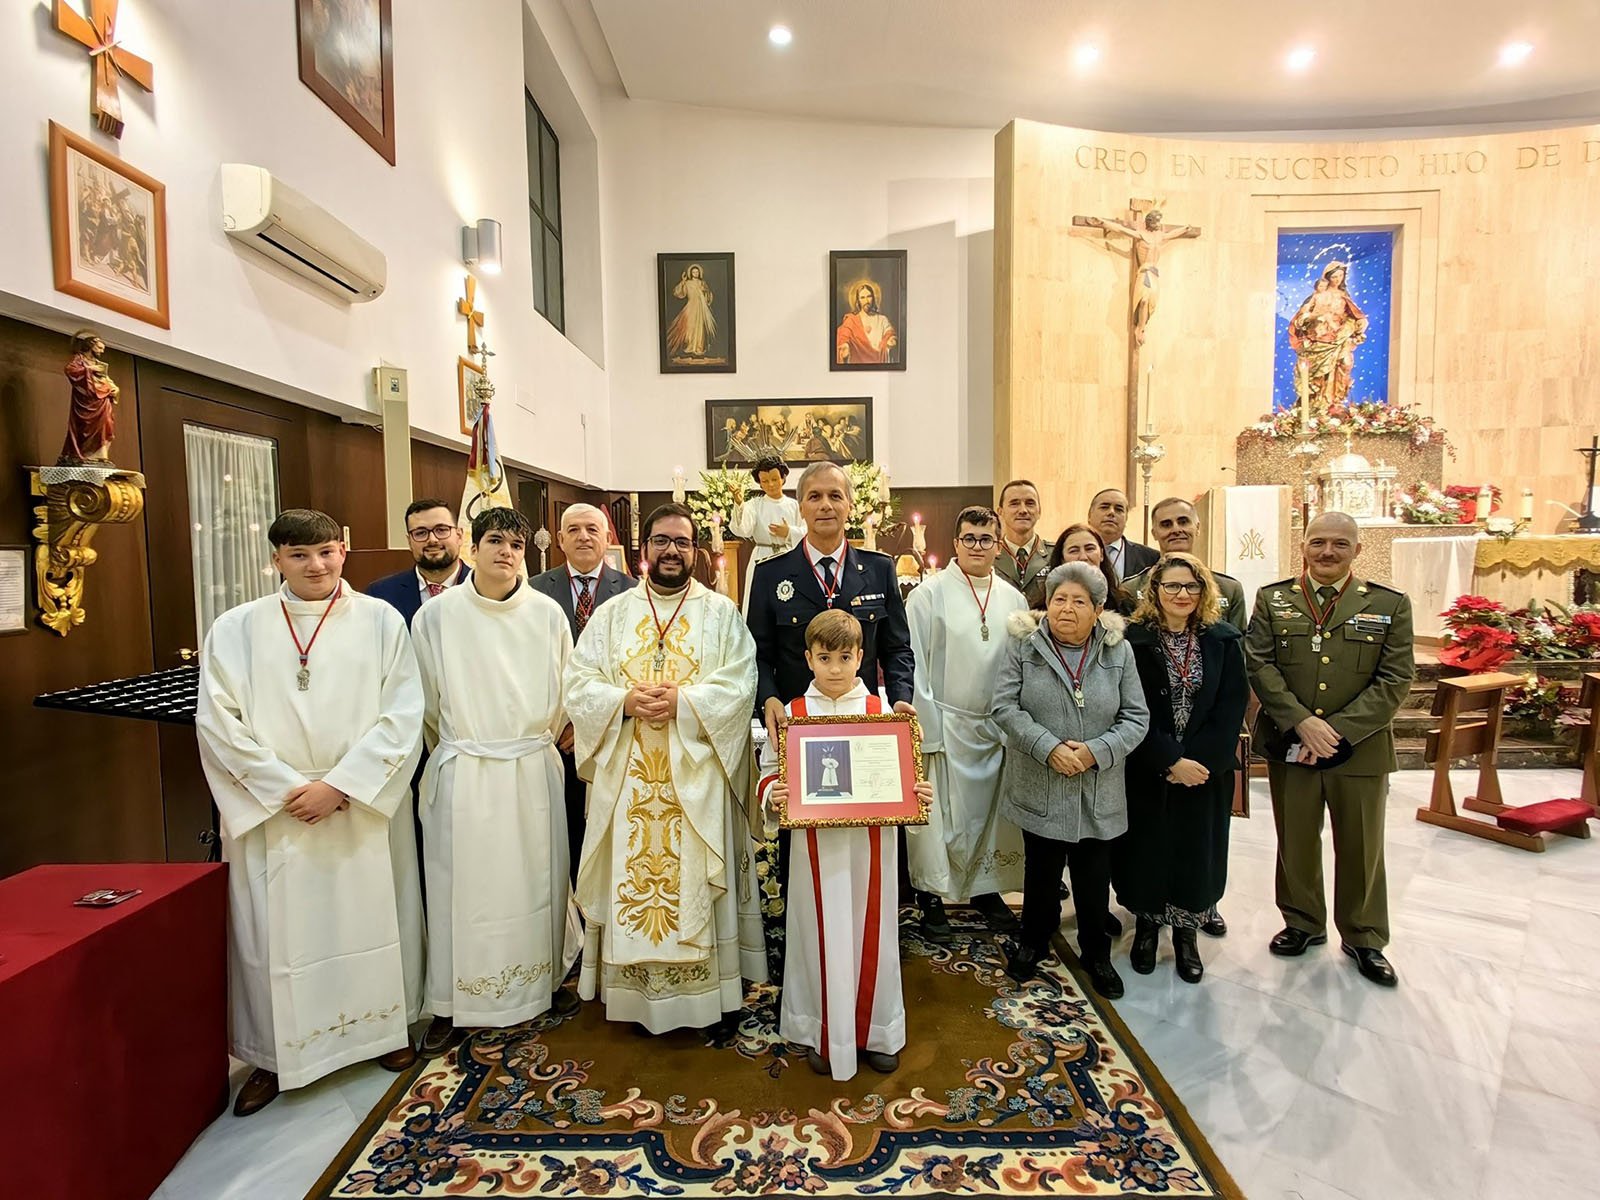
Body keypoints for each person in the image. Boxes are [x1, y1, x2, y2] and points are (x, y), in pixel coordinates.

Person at [195, 509, 424, 1116]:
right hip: (277, 812)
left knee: (371, 919)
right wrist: (285, 789)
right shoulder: (235, 628)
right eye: (300, 555)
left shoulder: (380, 622)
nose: (316, 565)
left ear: (343, 551)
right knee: (274, 938)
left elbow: (403, 713)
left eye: (326, 552)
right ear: (276, 560)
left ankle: (381, 1031)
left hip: (358, 805)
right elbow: (218, 723)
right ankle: (274, 1056)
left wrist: (342, 785)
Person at [564, 504, 767, 1033]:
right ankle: (633, 996)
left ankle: (707, 999)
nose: (671, 551)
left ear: (695, 550)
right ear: (643, 550)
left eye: (681, 541)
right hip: (629, 776)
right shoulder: (611, 614)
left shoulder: (721, 614)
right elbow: (579, 682)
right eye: (660, 541)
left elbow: (741, 684)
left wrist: (686, 701)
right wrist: (623, 702)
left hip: (696, 777)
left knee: (695, 878)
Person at [412, 508, 582, 1057]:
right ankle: (451, 999)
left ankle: (545, 982)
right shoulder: (438, 617)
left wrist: (540, 738)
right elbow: (427, 706)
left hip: (531, 767)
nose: (505, 552)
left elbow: (566, 691)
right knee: (461, 889)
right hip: (467, 767)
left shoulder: (548, 614)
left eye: (515, 543)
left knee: (541, 880)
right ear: (471, 547)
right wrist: (466, 748)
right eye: (493, 541)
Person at [756, 611, 932, 1079]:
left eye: (845, 657)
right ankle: (821, 1029)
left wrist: (918, 794)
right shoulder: (793, 715)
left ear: (861, 657)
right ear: (808, 658)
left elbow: (906, 781)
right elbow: (769, 770)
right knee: (818, 934)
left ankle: (878, 1030)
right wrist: (774, 792)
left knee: (872, 932)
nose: (835, 668)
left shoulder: (882, 713)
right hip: (816, 850)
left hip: (870, 848)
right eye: (825, 657)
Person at [1245, 512, 1414, 988]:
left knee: (1361, 846)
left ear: (1356, 550)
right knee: (1295, 838)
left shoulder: (1389, 604)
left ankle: (1364, 936)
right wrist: (1300, 721)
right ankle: (1301, 922)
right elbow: (1259, 662)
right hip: (1291, 742)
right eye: (1318, 543)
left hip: (1359, 750)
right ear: (1304, 546)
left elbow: (1396, 678)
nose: (1327, 552)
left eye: (1339, 544)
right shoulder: (1274, 599)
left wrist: (1335, 730)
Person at [993, 562, 1149, 999]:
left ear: (1098, 609)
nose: (1066, 608)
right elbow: (1004, 707)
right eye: (1059, 598)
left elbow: (1137, 717)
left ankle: (1096, 953)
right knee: (1040, 875)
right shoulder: (1024, 645)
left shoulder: (1118, 651)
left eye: (1079, 601)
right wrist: (1050, 748)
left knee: (1093, 880)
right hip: (1040, 781)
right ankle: (1033, 943)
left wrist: (1095, 752)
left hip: (1097, 785)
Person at [1116, 553, 1248, 984]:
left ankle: (1188, 934)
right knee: (1146, 848)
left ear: (1204, 591)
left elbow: (1231, 709)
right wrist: (1169, 759)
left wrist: (1198, 762)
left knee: (1197, 851)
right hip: (1148, 766)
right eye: (1171, 586)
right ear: (1155, 591)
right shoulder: (1132, 642)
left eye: (1191, 587)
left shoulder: (1223, 640)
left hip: (1205, 773)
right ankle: (1148, 930)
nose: (1182, 595)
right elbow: (1126, 708)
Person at [905, 506, 1028, 942]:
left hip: (994, 728)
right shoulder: (928, 595)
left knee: (988, 818)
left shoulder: (1014, 599)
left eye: (986, 539)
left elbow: (1022, 665)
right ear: (955, 543)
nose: (978, 546)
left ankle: (984, 889)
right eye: (969, 538)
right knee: (941, 820)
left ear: (999, 544)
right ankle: (933, 897)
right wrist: (928, 727)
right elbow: (912, 663)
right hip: (945, 723)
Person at [531, 503, 632, 883]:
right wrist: (564, 722)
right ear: (559, 540)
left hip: (610, 735)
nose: (583, 537)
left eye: (592, 529)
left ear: (608, 538)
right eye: (573, 530)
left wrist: (591, 723)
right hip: (554, 736)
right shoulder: (535, 592)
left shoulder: (633, 593)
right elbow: (534, 669)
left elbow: (630, 670)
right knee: (561, 836)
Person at [1123, 498, 1247, 631]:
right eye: (1166, 524)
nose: (1176, 529)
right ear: (1154, 533)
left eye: (1183, 522)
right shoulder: (1129, 589)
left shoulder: (1229, 589)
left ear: (1197, 528)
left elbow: (1237, 643)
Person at [369, 499, 470, 628]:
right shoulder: (380, 595)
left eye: (441, 530)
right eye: (421, 533)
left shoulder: (487, 590)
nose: (432, 540)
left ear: (459, 536)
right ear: (409, 542)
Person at [729, 456, 806, 614]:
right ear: (759, 482)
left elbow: (807, 532)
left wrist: (789, 532)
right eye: (765, 481)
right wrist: (739, 503)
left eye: (774, 479)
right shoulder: (754, 505)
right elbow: (743, 529)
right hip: (762, 556)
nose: (770, 485)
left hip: (788, 555)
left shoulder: (795, 506)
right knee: (760, 600)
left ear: (783, 478)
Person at [1290, 261, 1368, 412]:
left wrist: (1357, 325)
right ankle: (1317, 405)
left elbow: (1354, 316)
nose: (1338, 279)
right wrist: (1313, 318)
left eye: (1341, 276)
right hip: (1319, 339)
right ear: (1328, 277)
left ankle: (1336, 401)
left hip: (1339, 337)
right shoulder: (1316, 297)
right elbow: (1300, 320)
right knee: (1317, 375)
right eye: (1334, 276)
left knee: (1345, 363)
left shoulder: (1345, 296)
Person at [1048, 523, 1133, 616]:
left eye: (1089, 549)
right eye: (1074, 551)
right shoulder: (1045, 609)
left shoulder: (1124, 605)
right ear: (1062, 559)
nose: (1083, 557)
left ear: (1101, 554)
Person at [993, 479, 1051, 609]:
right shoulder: (989, 555)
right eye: (1014, 504)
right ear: (1000, 512)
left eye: (1030, 503)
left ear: (1039, 511)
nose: (1023, 510)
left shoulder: (1056, 554)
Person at [1088, 488, 1158, 581]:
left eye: (1119, 509)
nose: (1111, 512)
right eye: (1104, 507)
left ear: (1126, 519)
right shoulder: (1072, 553)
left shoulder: (1151, 558)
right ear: (1089, 515)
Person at [835, 281, 898, 365]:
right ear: (858, 300)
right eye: (862, 297)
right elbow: (843, 335)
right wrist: (845, 345)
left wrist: (891, 339)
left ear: (873, 298)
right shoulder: (851, 320)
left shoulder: (882, 319)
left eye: (869, 296)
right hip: (857, 364)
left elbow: (890, 333)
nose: (866, 301)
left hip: (878, 363)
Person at [667, 263, 716, 360]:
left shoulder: (702, 283)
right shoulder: (688, 283)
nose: (695, 273)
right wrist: (683, 282)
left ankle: (698, 347)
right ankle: (690, 346)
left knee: (700, 328)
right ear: (691, 273)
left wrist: (705, 291)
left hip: (701, 308)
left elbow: (708, 297)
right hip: (691, 306)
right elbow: (679, 293)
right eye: (693, 272)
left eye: (697, 272)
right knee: (690, 327)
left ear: (699, 273)